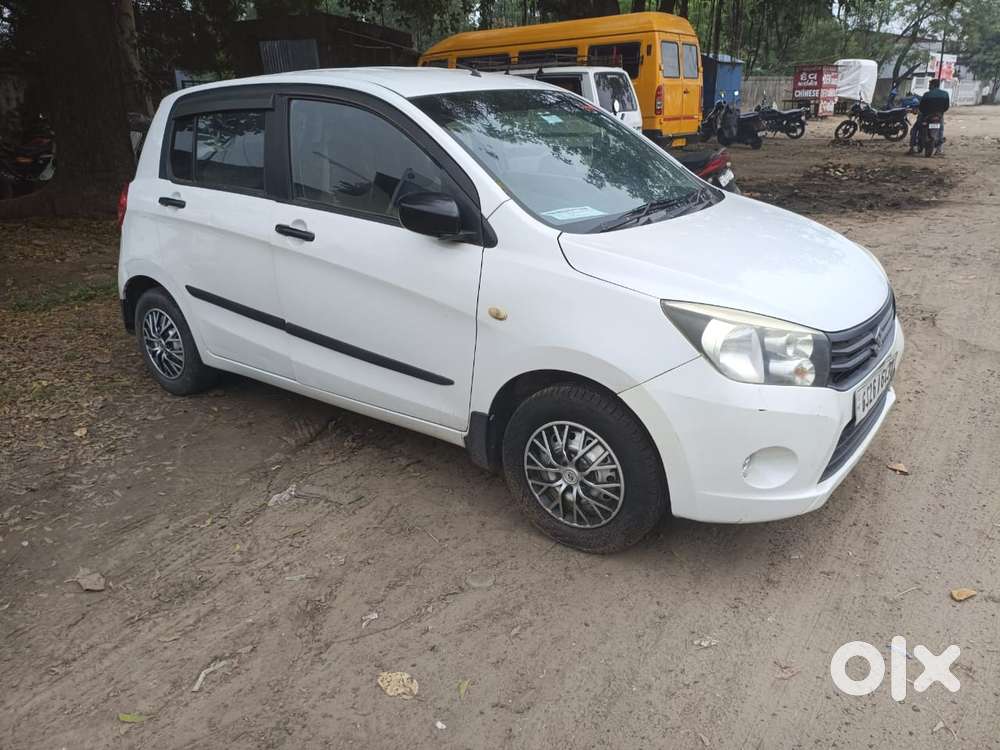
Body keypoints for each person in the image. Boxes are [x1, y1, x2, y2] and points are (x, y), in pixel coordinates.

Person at [907, 79, 950, 155]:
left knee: (915, 129)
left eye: (929, 85)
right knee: (940, 130)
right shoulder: (945, 94)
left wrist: (924, 112)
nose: (929, 86)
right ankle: (939, 150)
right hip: (939, 116)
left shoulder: (927, 94)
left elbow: (922, 107)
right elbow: (946, 107)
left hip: (927, 116)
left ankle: (912, 148)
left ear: (933, 85)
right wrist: (940, 112)